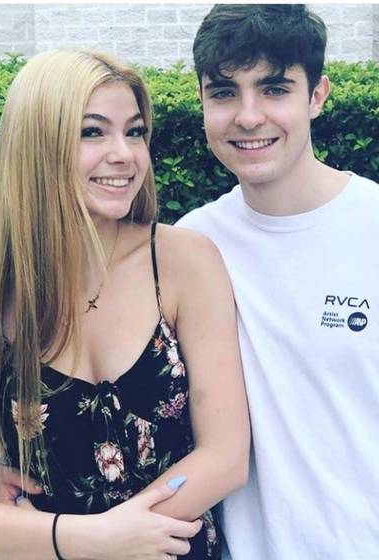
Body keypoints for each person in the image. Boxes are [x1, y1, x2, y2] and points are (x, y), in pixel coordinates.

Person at [0, 49, 250, 560]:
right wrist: (92, 541)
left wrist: (125, 534)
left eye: (135, 131)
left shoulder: (182, 261)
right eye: (92, 132)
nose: (124, 154)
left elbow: (226, 456)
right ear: (38, 145)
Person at [176, 4, 379, 560]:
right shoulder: (190, 246)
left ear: (317, 95)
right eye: (224, 92)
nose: (248, 116)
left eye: (274, 89)